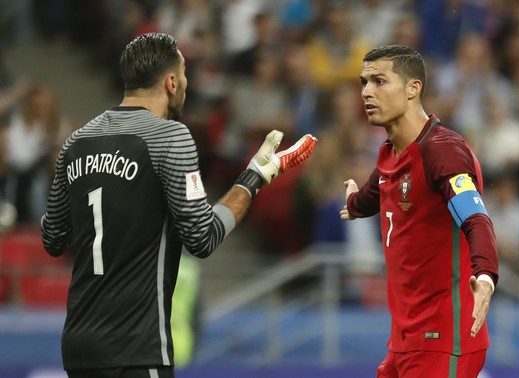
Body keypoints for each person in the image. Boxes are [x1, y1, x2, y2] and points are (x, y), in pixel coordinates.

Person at [40, 32, 316, 378]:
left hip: (78, 347)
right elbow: (202, 237)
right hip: (135, 348)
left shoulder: (76, 141)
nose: (186, 83)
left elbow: (52, 238)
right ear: (171, 82)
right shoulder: (171, 136)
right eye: (184, 74)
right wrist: (255, 176)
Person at [340, 45, 499, 377]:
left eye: (379, 81)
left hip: (444, 338)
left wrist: (485, 275)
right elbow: (375, 191)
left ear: (414, 88)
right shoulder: (390, 153)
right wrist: (354, 205)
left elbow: (475, 217)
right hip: (404, 341)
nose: (367, 92)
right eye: (363, 82)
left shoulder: (443, 152)